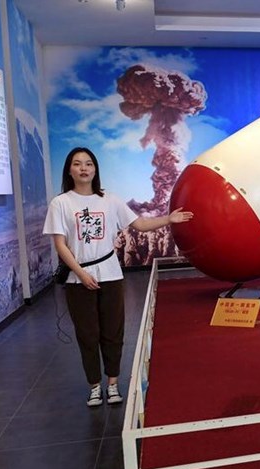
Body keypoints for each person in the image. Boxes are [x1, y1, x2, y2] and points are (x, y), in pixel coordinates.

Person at [43, 147, 193, 407]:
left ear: (95, 169)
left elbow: (140, 225)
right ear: (69, 170)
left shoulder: (110, 200)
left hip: (111, 275)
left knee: (113, 331)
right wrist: (81, 273)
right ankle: (94, 386)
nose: (83, 168)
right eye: (77, 164)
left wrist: (169, 219)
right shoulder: (61, 203)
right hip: (78, 279)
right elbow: (60, 244)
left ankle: (113, 383)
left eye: (88, 163)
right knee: (87, 334)